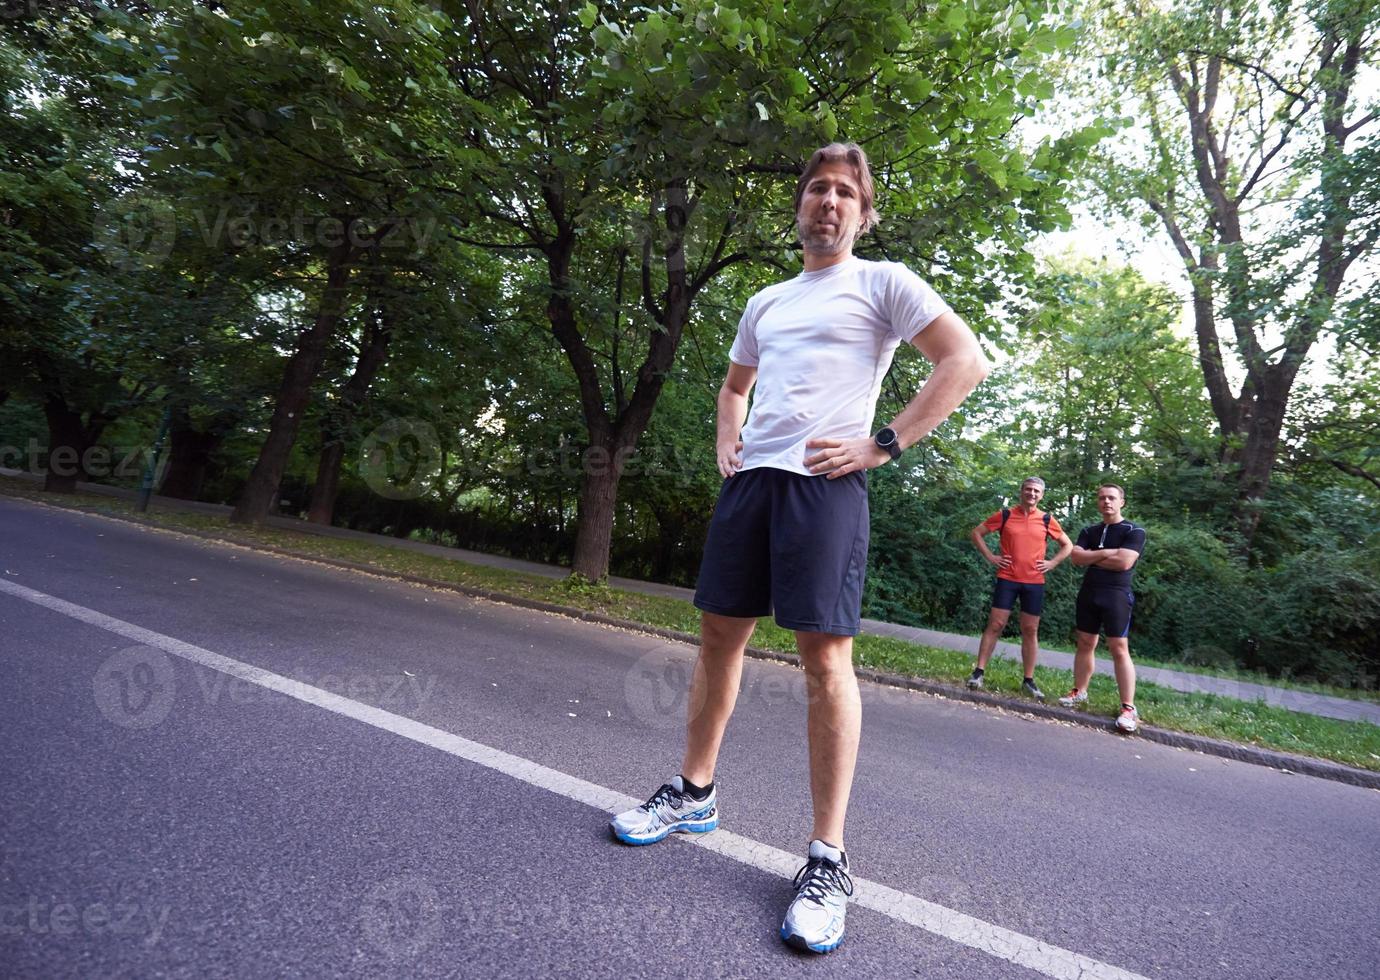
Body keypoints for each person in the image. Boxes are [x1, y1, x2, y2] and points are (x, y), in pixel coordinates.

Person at [610, 142, 989, 954]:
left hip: (826, 487)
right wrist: (727, 438)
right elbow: (733, 384)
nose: (828, 201)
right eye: (817, 188)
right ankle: (694, 793)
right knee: (718, 637)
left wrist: (881, 444)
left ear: (864, 212)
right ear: (799, 206)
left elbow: (965, 361)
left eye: (845, 192)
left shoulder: (884, 283)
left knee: (824, 661)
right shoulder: (767, 300)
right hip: (753, 485)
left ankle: (827, 859)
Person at [965, 477, 1073, 699]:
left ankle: (1029, 680)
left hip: (1034, 582)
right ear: (1021, 491)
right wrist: (990, 556)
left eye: (1036, 491)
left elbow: (1068, 545)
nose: (1032, 494)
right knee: (995, 624)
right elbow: (976, 533)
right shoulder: (1005, 515)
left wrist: (1052, 563)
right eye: (1028, 489)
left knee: (1030, 629)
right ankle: (978, 672)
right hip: (1007, 578)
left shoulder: (1046, 519)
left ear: (1041, 495)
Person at [1059, 483, 1146, 733]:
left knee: (1119, 648)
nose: (1106, 502)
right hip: (1089, 593)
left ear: (1122, 502)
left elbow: (1124, 563)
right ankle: (1079, 692)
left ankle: (1128, 708)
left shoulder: (1135, 531)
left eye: (1111, 498)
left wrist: (1093, 557)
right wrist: (1108, 552)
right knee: (1085, 643)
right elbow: (1076, 558)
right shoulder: (1089, 530)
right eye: (1101, 498)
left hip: (1116, 595)